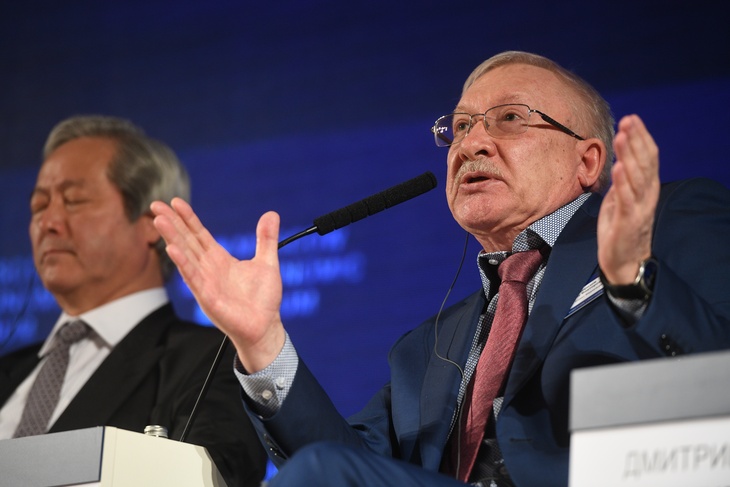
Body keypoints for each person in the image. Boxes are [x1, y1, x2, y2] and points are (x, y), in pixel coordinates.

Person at [150, 51, 730, 487]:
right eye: (462, 126)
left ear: (588, 160)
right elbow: (344, 469)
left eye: (509, 118)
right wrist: (262, 343)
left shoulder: (671, 222)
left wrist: (635, 280)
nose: (471, 143)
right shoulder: (425, 350)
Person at [0, 115, 268, 487]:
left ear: (151, 223)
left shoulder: (217, 362)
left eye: (74, 201)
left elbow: (217, 475)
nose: (48, 222)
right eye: (39, 206)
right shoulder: (8, 371)